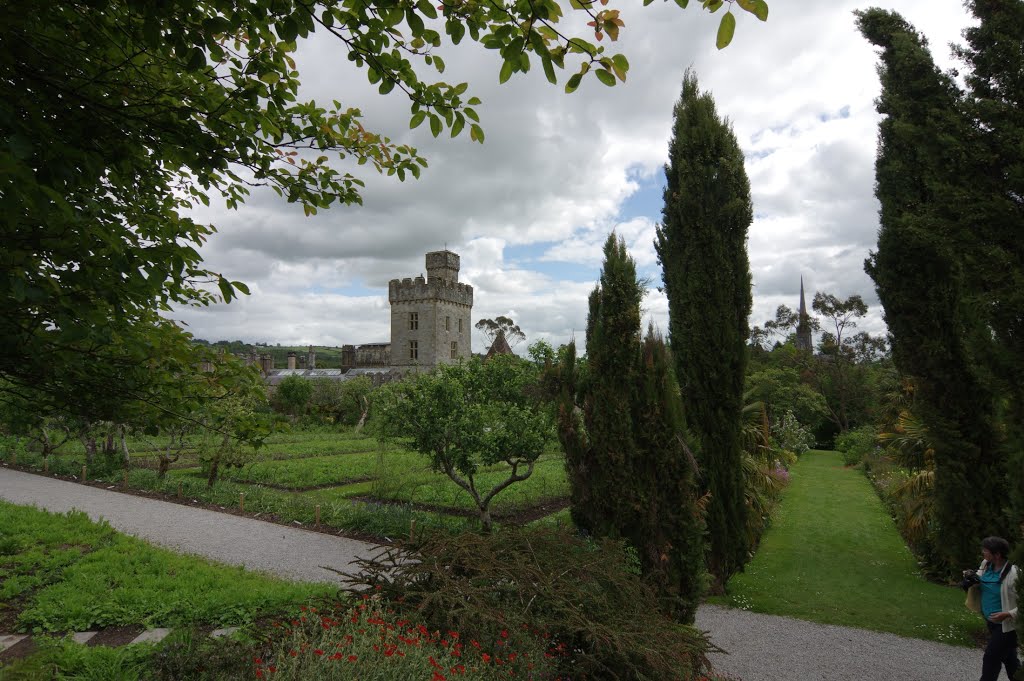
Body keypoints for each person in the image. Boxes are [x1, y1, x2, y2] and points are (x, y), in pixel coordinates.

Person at [962, 537, 1019, 681]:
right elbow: (981, 577)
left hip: (1007, 626)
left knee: (991, 659)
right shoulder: (987, 564)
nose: (983, 552)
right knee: (1010, 661)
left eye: (986, 551)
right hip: (992, 623)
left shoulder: (1014, 574)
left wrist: (1007, 614)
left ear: (997, 554)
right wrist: (971, 579)